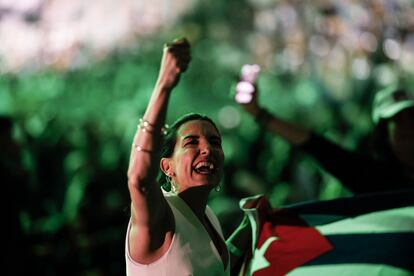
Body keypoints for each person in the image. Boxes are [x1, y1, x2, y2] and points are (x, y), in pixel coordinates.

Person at [125, 38, 232, 275]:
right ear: (166, 166)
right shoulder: (160, 217)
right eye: (191, 142)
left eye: (215, 142)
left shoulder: (208, 216)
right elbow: (138, 179)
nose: (207, 149)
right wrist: (164, 84)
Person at [236, 80, 414, 195]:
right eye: (397, 120)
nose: (408, 126)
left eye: (412, 117)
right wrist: (258, 114)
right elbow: (315, 145)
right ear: (383, 133)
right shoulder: (372, 176)